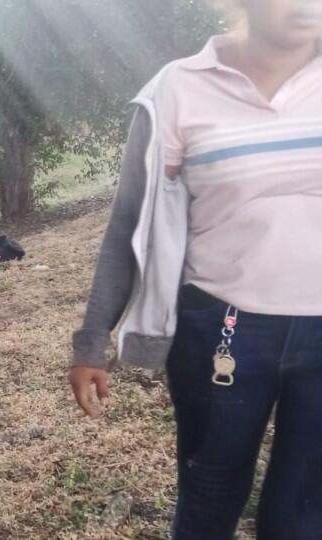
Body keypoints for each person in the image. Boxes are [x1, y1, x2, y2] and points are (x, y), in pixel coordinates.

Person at [69, 1, 322, 537]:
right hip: (221, 334)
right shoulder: (178, 90)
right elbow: (128, 224)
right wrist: (92, 340)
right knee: (210, 497)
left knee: (304, 512)